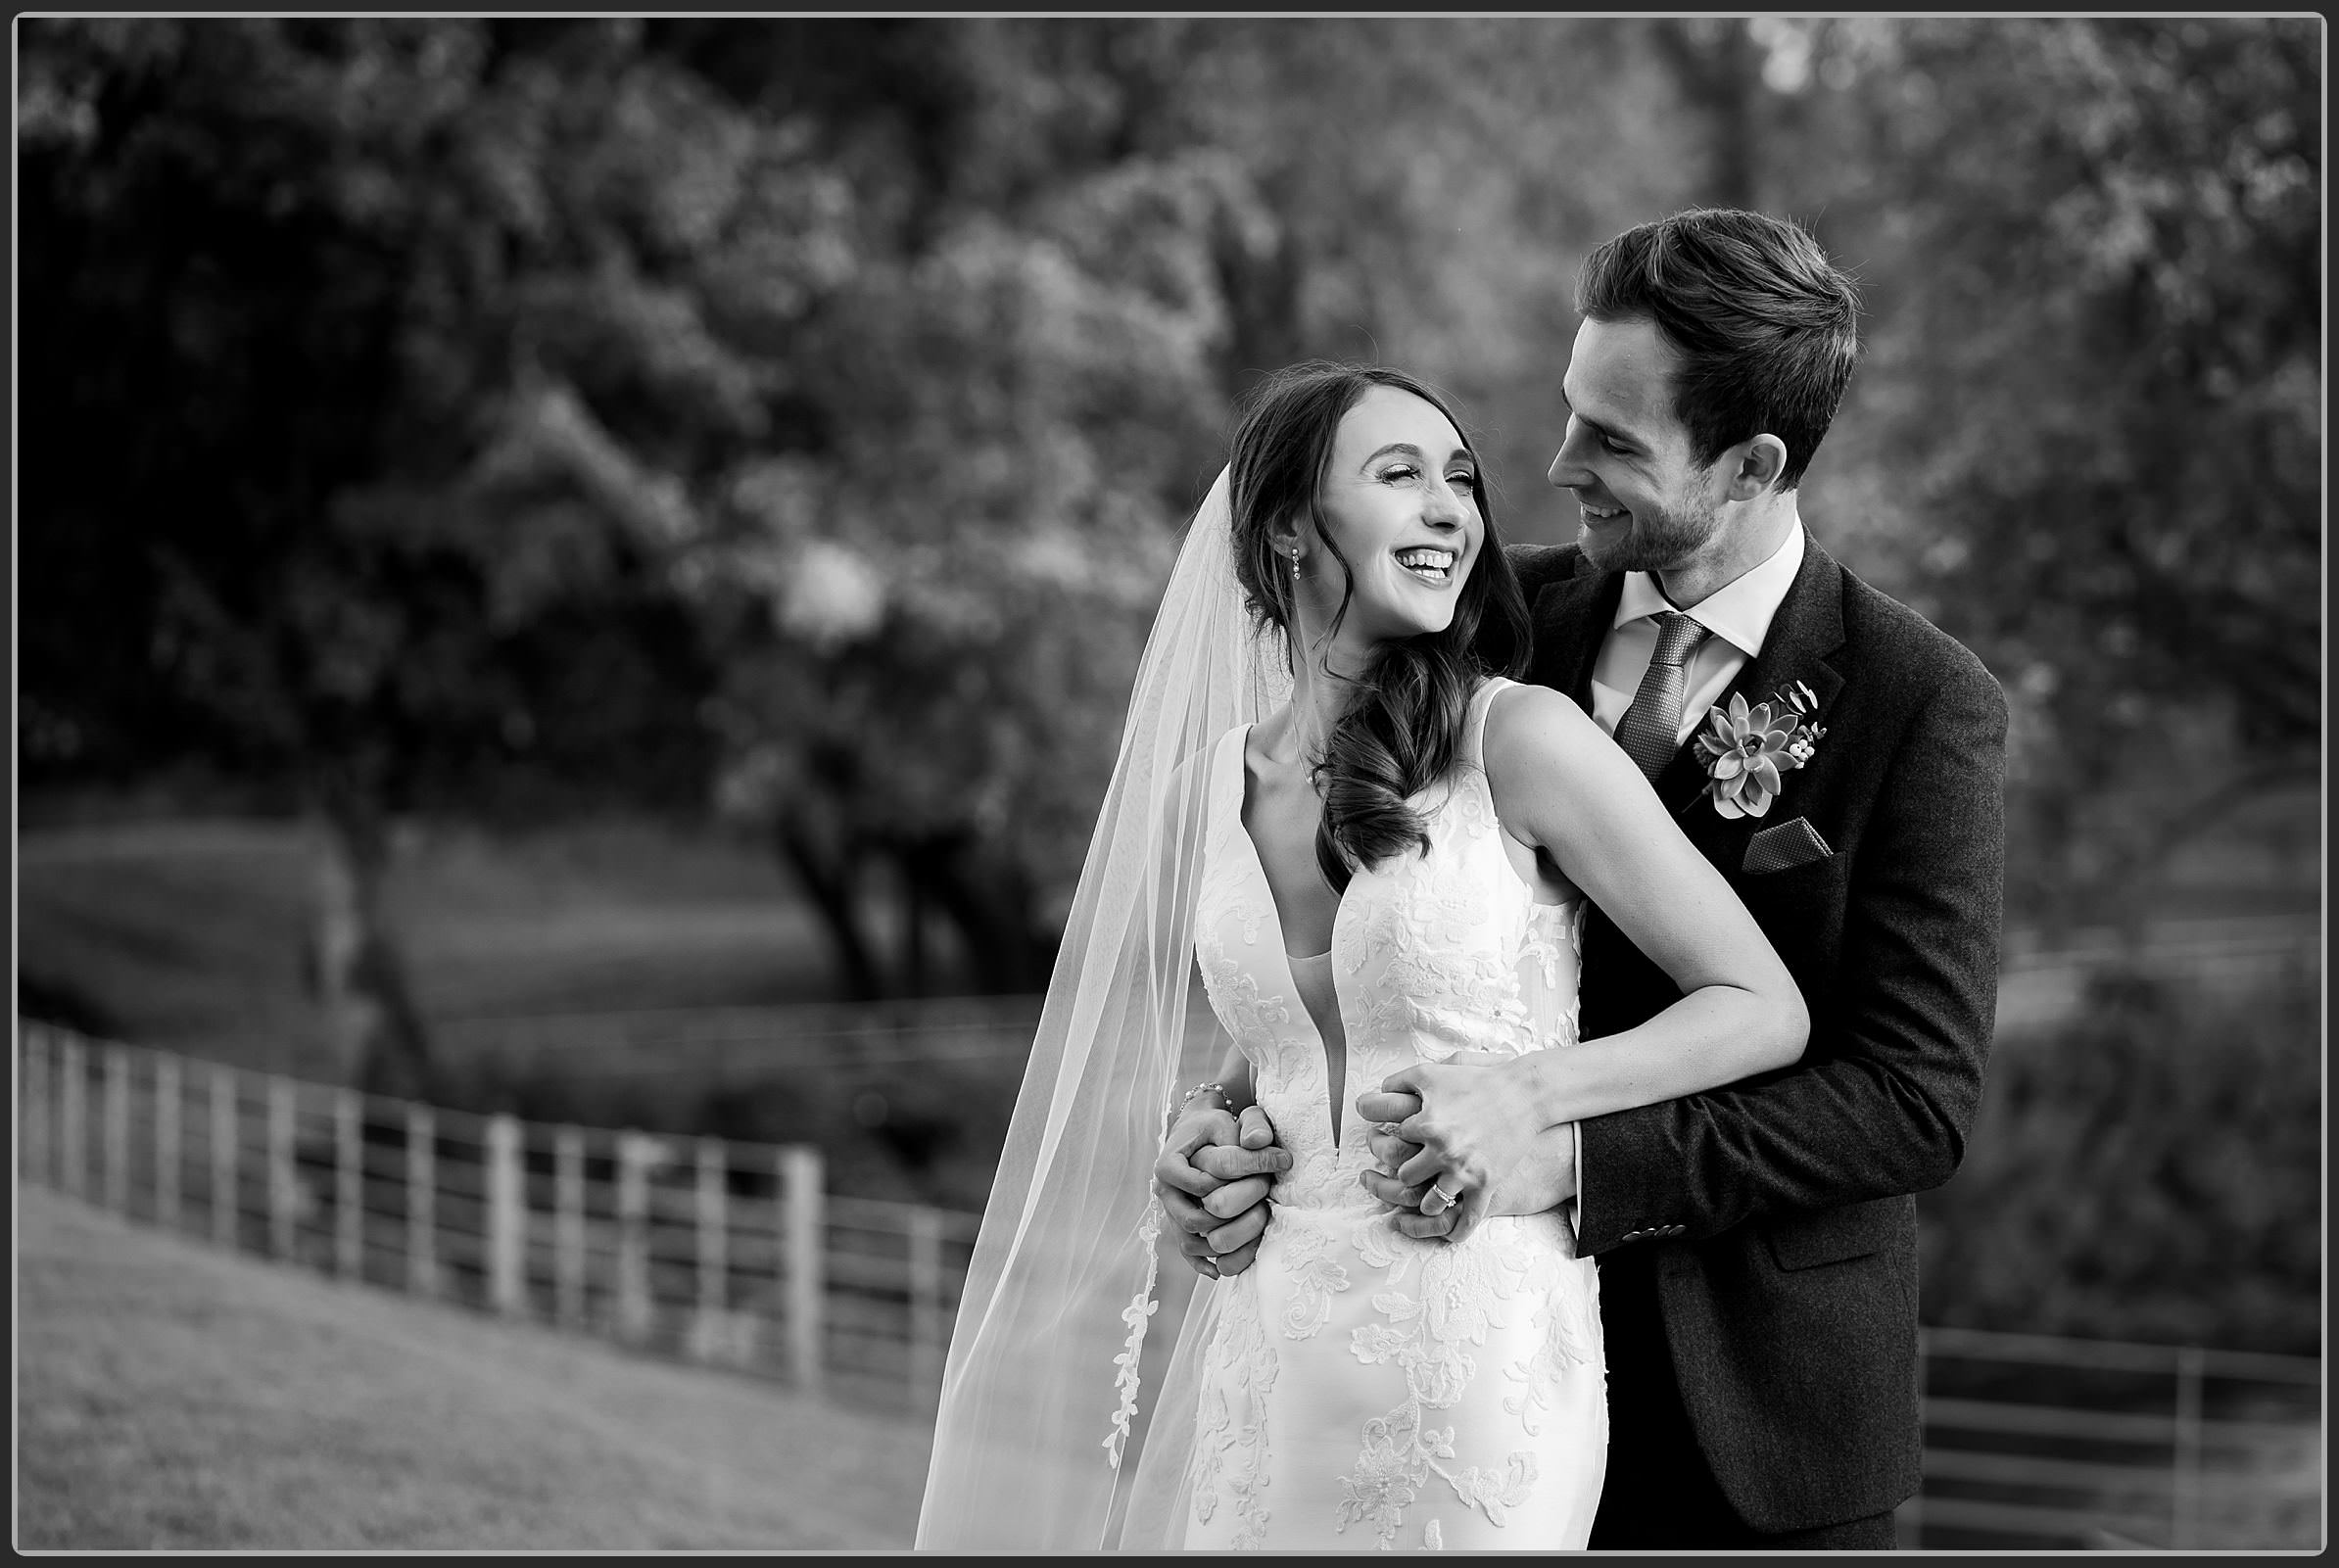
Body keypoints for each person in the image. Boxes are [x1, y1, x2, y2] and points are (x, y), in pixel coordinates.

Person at [1172, 208, 2010, 1550]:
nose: (1557, 462)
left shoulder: (1920, 705)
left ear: (1748, 463)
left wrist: (1562, 1149)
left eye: (1614, 441)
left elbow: (1909, 1099)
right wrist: (1243, 1117)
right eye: (1572, 411)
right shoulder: (1481, 621)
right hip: (1421, 1348)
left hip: (1756, 1418)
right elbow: (1364, 928)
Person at [918, 358, 1810, 1551]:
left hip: (1473, 1341)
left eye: (1460, 479)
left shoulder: (1521, 740)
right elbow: (1289, 1036)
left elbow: (1761, 1004)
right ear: (1290, 525)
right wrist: (1206, 1128)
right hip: (1270, 1331)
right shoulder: (1204, 790)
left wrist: (1530, 1095)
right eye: (1400, 474)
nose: (1451, 506)